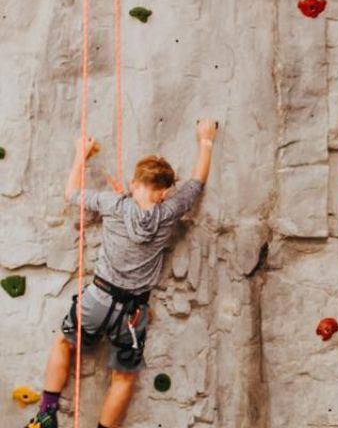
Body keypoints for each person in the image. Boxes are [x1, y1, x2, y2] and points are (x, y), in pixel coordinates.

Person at [27, 119, 218, 428]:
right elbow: (196, 184)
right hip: (132, 312)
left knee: (64, 343)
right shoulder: (168, 212)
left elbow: (72, 193)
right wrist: (206, 141)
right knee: (124, 376)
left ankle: (46, 414)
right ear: (164, 192)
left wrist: (81, 154)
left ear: (134, 183)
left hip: (98, 299)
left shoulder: (113, 204)